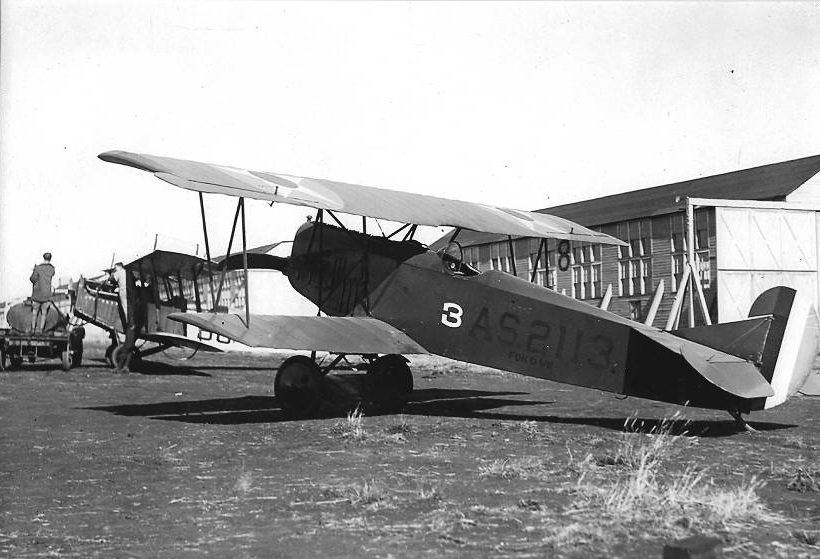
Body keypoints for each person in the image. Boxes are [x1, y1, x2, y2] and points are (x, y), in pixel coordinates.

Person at [29, 252, 55, 333]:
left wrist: (34, 270)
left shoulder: (38, 267)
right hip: (47, 295)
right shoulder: (52, 269)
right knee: (44, 313)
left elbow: (32, 279)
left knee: (34, 313)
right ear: (50, 258)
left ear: (43, 258)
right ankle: (40, 331)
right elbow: (50, 274)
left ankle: (33, 330)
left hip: (37, 294)